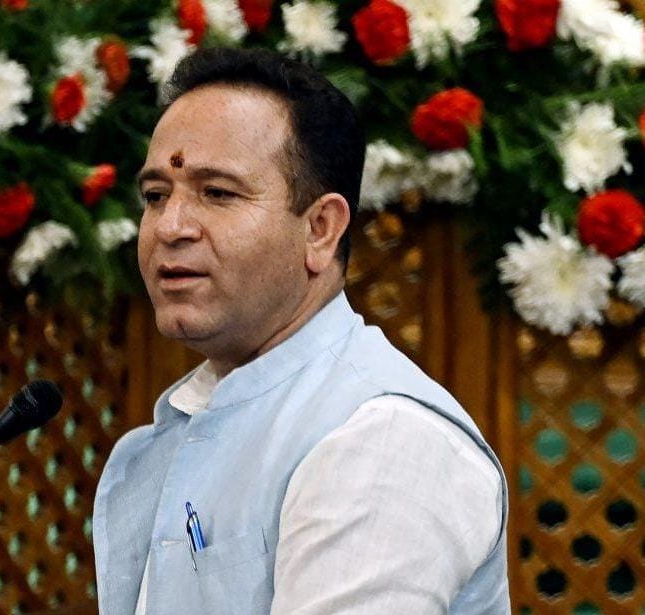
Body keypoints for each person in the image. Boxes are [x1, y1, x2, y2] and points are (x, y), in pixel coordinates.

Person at [93, 47, 510, 614]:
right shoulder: (182, 426)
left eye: (218, 193)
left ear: (320, 229)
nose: (171, 226)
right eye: (156, 196)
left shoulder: (382, 440)